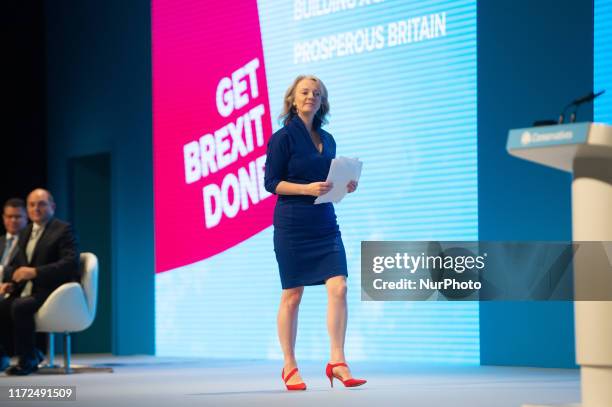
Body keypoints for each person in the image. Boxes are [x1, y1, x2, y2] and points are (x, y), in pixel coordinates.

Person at [264, 75, 366, 390]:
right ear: (293, 100)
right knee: (293, 295)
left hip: (324, 221)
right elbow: (272, 183)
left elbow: (328, 183)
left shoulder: (329, 139)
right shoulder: (282, 138)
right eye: (305, 92)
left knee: (340, 288)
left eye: (317, 93)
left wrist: (346, 186)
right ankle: (289, 365)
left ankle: (337, 361)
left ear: (322, 102)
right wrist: (306, 188)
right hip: (293, 223)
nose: (311, 96)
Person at [0, 188, 79, 375]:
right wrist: (12, 282)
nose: (36, 208)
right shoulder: (26, 232)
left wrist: (35, 272)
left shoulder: (63, 229)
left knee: (21, 306)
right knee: (2, 306)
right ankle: (25, 354)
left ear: (52, 206)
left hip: (55, 290)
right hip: (32, 289)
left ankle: (27, 361)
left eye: (42, 204)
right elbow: (19, 265)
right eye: (32, 205)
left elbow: (70, 263)